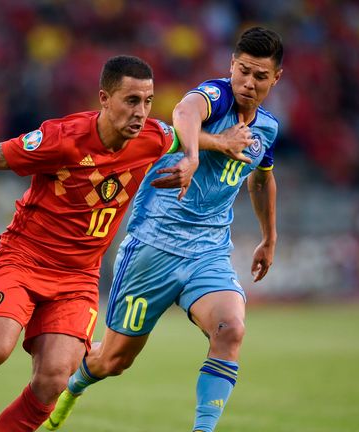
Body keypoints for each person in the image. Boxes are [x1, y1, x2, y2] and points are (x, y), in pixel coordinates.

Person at [0, 55, 200, 432]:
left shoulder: (151, 137)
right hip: (24, 260)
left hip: (78, 277)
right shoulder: (60, 140)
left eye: (147, 101)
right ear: (104, 98)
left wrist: (208, 149)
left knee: (53, 380)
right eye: (131, 101)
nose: (141, 112)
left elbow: (185, 133)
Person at [44, 26, 284, 432]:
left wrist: (269, 237)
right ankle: (71, 391)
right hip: (151, 248)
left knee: (231, 328)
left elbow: (261, 178)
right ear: (231, 66)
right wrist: (193, 155)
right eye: (243, 71)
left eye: (260, 76)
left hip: (207, 252)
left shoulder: (267, 129)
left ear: (276, 79)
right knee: (113, 361)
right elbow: (185, 112)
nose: (249, 82)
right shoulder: (216, 95)